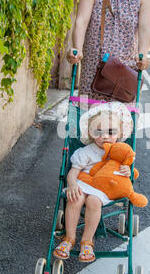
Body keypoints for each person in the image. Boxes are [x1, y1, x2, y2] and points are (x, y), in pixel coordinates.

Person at [53, 102, 134, 263]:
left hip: (105, 188)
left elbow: (126, 171)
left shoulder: (120, 152)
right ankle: (69, 238)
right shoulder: (86, 151)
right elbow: (73, 172)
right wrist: (72, 184)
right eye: (98, 132)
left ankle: (87, 241)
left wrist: (127, 171)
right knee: (75, 198)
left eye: (111, 132)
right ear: (90, 133)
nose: (104, 136)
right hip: (83, 183)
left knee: (94, 202)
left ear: (119, 133)